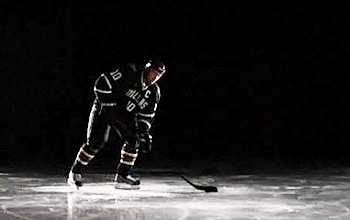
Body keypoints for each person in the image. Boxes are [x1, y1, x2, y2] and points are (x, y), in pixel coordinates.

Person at [67, 60, 166, 190]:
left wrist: (143, 132)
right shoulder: (130, 73)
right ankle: (75, 172)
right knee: (96, 142)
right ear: (147, 70)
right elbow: (101, 83)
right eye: (154, 73)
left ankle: (122, 176)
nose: (155, 77)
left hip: (124, 115)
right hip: (105, 108)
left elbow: (146, 116)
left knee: (134, 139)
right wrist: (108, 105)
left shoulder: (153, 92)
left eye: (159, 75)